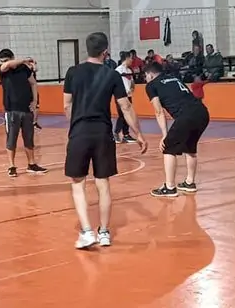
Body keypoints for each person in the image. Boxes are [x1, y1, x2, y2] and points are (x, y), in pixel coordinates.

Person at [63, 32, 147, 249]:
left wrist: (74, 126)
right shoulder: (112, 75)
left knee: (78, 183)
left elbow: (67, 105)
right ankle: (104, 232)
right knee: (103, 183)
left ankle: (86, 231)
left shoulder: (72, 72)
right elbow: (125, 106)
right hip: (102, 133)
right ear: (105, 51)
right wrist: (138, 133)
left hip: (80, 132)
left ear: (87, 49)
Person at [144, 62, 210, 197]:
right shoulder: (174, 77)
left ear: (150, 74)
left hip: (186, 115)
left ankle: (169, 187)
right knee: (190, 147)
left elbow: (158, 111)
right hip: (202, 112)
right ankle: (189, 183)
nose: (145, 79)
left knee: (168, 147)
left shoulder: (151, 85)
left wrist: (165, 135)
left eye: (145, 76)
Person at [0, 49, 46, 177]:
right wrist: (24, 60)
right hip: (11, 110)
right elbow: (6, 66)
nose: (4, 63)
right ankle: (11, 166)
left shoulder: (24, 69)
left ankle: (31, 164)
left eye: (6, 60)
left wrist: (35, 101)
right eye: (2, 61)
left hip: (26, 109)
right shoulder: (3, 70)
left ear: (12, 57)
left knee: (29, 138)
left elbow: (33, 83)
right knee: (11, 139)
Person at [114, 52, 137, 144]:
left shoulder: (129, 70)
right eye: (131, 58)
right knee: (122, 115)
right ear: (126, 58)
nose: (132, 60)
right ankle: (116, 133)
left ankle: (126, 134)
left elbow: (132, 82)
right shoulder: (118, 70)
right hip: (120, 96)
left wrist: (132, 87)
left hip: (129, 95)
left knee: (128, 115)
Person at [26, 58, 43, 130]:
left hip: (33, 90)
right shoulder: (24, 70)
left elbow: (36, 69)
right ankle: (26, 123)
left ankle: (34, 123)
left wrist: (34, 63)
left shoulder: (32, 68)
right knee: (27, 108)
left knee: (36, 107)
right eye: (28, 62)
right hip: (26, 91)